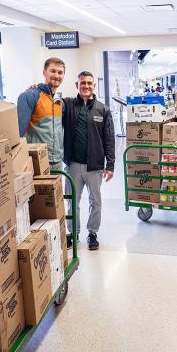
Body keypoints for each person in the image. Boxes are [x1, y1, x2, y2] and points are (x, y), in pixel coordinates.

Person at [63, 71, 115, 250]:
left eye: (89, 83)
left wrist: (111, 165)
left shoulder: (103, 109)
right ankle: (72, 233)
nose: (86, 86)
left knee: (96, 201)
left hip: (95, 166)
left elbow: (109, 139)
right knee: (72, 200)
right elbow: (49, 104)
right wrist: (38, 88)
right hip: (73, 164)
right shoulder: (67, 105)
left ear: (94, 86)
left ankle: (92, 233)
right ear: (77, 85)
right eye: (82, 83)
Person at [17, 57, 65, 170]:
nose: (57, 75)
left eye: (60, 72)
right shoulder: (30, 96)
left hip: (57, 161)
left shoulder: (60, 102)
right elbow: (18, 133)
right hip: (36, 160)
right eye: (53, 71)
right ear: (44, 72)